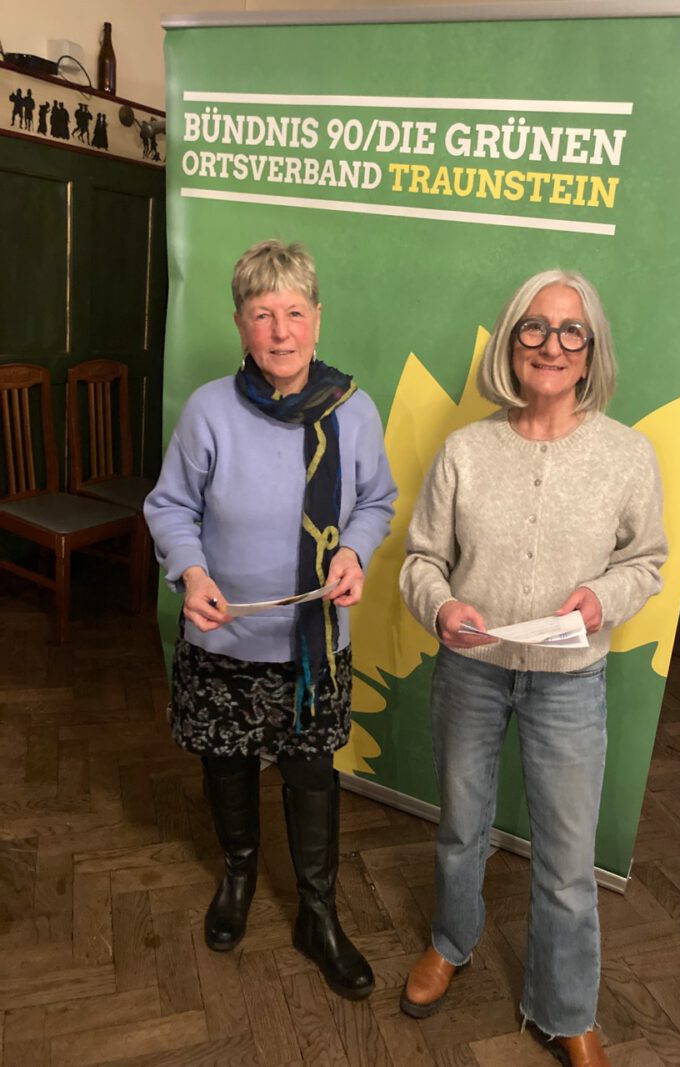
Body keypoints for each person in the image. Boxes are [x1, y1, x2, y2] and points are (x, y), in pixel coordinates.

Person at [398, 270, 667, 1066]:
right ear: (513, 343)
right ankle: (451, 939)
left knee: (567, 860)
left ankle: (566, 1006)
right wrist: (440, 606)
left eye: (570, 330)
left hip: (570, 680)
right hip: (471, 671)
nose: (552, 345)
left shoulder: (627, 455)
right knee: (460, 825)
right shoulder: (465, 450)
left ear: (591, 350)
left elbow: (646, 562)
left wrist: (603, 598)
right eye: (534, 328)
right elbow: (421, 559)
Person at [144, 239, 396, 1000]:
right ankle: (239, 874)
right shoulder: (209, 410)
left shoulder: (353, 411)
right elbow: (171, 507)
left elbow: (376, 501)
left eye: (293, 312)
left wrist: (354, 551)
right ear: (240, 325)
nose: (280, 331)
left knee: (312, 774)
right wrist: (191, 573)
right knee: (225, 763)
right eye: (262, 314)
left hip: (313, 645)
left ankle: (317, 912)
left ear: (318, 318)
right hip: (223, 637)